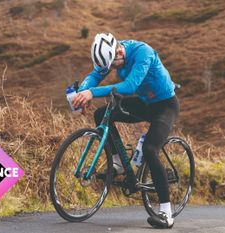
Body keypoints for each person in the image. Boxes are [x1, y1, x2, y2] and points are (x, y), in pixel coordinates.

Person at [72, 32, 179, 229]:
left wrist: (92, 93)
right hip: (144, 103)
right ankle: (119, 161)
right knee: (102, 115)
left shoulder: (142, 52)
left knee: (150, 149)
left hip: (165, 106)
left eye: (113, 65)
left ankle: (166, 213)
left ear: (119, 51)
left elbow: (130, 85)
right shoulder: (112, 56)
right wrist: (82, 92)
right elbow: (96, 75)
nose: (112, 68)